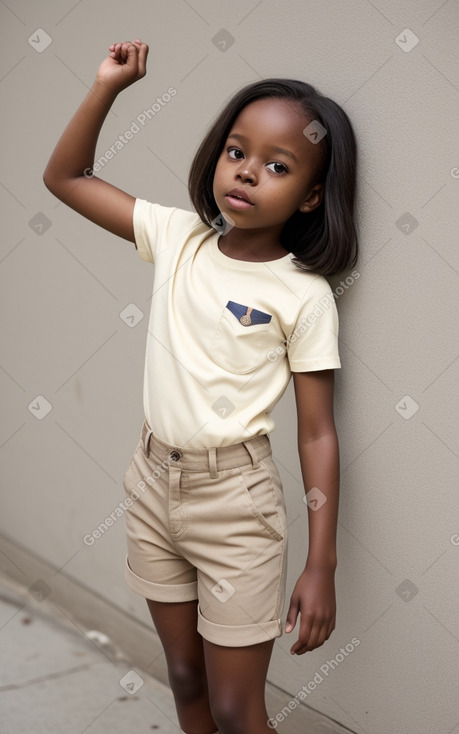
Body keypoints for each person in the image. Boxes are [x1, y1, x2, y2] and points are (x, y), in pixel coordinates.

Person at [43, 39, 358, 734]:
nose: (247, 173)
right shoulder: (178, 237)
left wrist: (321, 564)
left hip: (235, 509)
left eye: (276, 166)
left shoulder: (301, 297)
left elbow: (316, 432)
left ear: (310, 195)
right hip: (152, 482)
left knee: (236, 709)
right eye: (236, 152)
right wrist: (107, 87)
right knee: (184, 678)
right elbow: (65, 179)